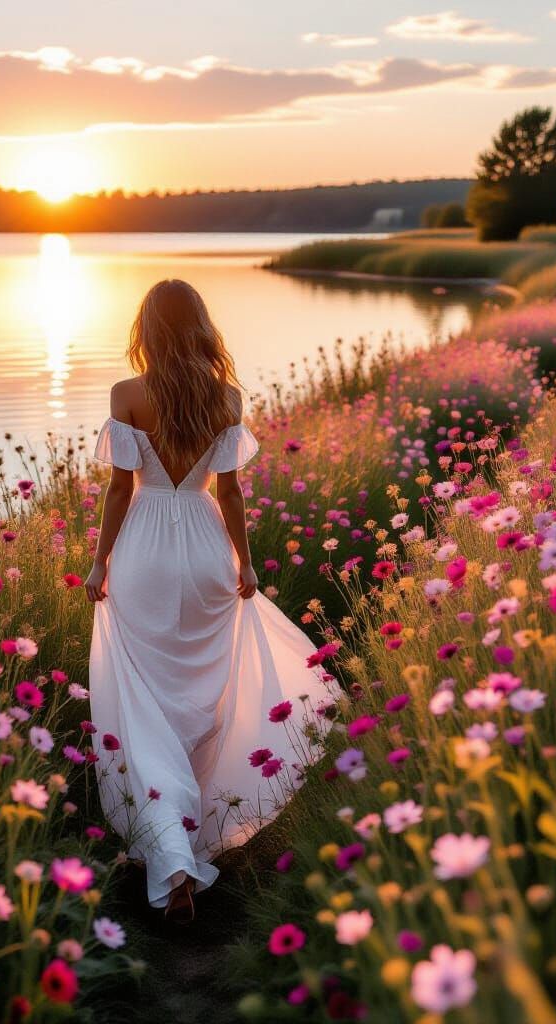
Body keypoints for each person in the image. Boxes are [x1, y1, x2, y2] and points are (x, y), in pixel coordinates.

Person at [85, 279, 335, 924]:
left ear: (147, 326)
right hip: (203, 548)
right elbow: (230, 495)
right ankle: (190, 839)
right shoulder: (224, 396)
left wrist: (99, 560)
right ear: (199, 323)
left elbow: (119, 490)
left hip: (142, 547)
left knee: (146, 697)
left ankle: (169, 851)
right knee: (206, 689)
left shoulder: (127, 394)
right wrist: (245, 561)